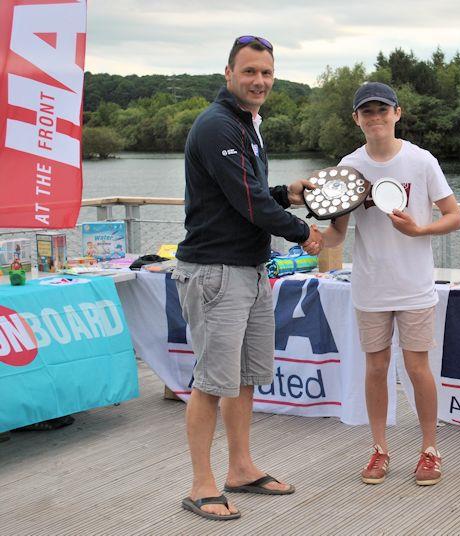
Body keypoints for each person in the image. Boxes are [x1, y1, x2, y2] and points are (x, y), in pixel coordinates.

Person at [173, 35, 323, 521]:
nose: (259, 81)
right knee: (211, 382)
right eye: (250, 72)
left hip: (250, 270)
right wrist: (304, 233)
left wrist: (288, 192)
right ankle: (201, 484)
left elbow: (253, 192)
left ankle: (240, 468)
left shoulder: (247, 124)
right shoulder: (218, 125)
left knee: (244, 379)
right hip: (215, 272)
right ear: (229, 74)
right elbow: (249, 203)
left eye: (267, 73)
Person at [322, 82, 460, 486]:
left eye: (383, 110)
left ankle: (430, 450)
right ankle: (379, 449)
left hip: (415, 285)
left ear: (397, 114)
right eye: (367, 112)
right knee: (376, 367)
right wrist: (310, 237)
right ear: (357, 119)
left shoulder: (421, 161)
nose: (376, 118)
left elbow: (455, 217)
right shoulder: (348, 166)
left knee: (418, 368)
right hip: (370, 287)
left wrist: (421, 230)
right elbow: (335, 234)